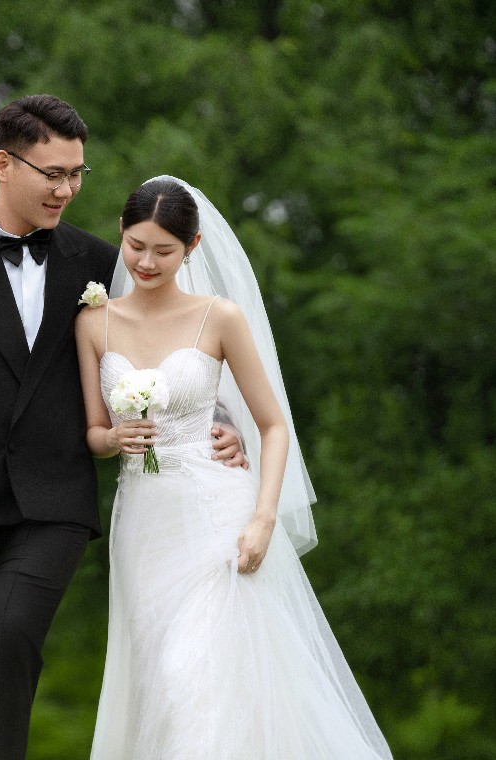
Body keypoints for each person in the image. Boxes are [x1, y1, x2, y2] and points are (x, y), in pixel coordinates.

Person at [0, 97, 245, 760]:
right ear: (3, 164)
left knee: (10, 629)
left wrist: (217, 419)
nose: (67, 189)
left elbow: (166, 339)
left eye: (77, 173)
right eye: (53, 173)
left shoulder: (99, 262)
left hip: (56, 498)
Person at [76, 176, 393, 759]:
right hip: (145, 524)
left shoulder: (218, 317)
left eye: (164, 251)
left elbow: (273, 425)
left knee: (202, 675)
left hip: (218, 516)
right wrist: (114, 438)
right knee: (163, 681)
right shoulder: (95, 322)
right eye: (137, 245)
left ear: (192, 247)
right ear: (120, 233)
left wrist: (263, 518)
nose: (146, 262)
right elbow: (94, 432)